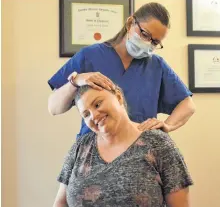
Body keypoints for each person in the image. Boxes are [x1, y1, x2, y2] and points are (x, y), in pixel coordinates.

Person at [48, 2, 195, 138]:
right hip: (94, 151)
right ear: (130, 23)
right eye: (145, 34)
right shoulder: (90, 56)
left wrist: (167, 125)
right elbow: (54, 108)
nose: (148, 43)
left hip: (138, 150)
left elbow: (188, 105)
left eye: (155, 42)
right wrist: (76, 81)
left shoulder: (156, 66)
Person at [53, 85, 193, 207]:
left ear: (118, 97)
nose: (94, 116)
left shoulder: (158, 143)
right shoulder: (81, 147)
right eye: (86, 114)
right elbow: (60, 203)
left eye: (97, 104)